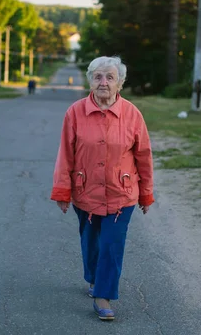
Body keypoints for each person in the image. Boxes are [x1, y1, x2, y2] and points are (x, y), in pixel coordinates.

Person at [50, 56, 155, 321]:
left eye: (109, 77)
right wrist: (62, 191)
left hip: (122, 195)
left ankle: (103, 295)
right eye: (98, 77)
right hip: (85, 192)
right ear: (90, 80)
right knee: (91, 243)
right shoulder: (75, 112)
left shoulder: (132, 114)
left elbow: (144, 155)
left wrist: (146, 193)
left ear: (120, 83)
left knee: (111, 244)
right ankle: (94, 278)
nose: (103, 82)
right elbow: (66, 154)